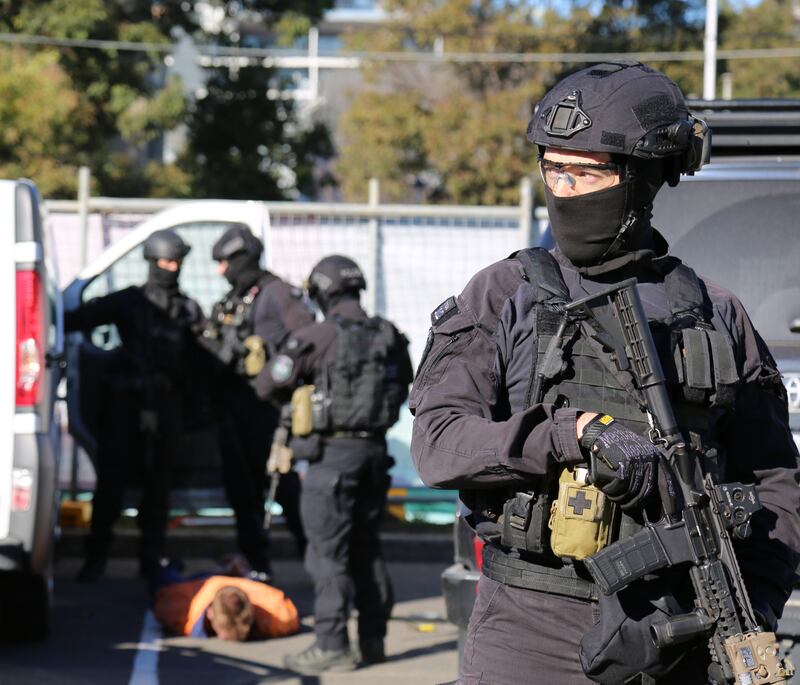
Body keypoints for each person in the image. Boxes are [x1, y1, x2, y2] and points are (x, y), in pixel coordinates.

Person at [409, 60, 800, 685]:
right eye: (553, 170)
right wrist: (572, 433)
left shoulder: (714, 311)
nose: (564, 190)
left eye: (586, 172)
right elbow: (438, 443)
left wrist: (751, 602)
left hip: (683, 627)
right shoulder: (504, 293)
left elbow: (775, 479)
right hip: (530, 627)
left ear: (644, 177)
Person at [253, 255, 414, 675]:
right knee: (365, 546)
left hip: (331, 459)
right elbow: (409, 386)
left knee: (327, 553)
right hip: (375, 455)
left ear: (323, 292)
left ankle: (331, 644)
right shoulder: (390, 335)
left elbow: (270, 382)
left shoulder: (318, 335)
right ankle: (373, 639)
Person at [66, 229, 204, 583]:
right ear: (151, 262)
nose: (171, 268)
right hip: (125, 408)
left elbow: (202, 365)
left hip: (166, 410)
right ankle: (95, 558)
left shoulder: (188, 310)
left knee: (158, 491)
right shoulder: (128, 301)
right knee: (110, 486)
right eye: (165, 262)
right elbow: (75, 318)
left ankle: (150, 560)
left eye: (177, 262)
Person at [200, 225, 312, 578]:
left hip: (268, 415)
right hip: (233, 412)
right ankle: (258, 567)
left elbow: (307, 340)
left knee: (286, 491)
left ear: (240, 258)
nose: (220, 271)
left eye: (224, 262)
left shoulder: (278, 293)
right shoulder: (235, 299)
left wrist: (272, 380)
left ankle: (319, 565)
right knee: (242, 495)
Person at [152, 556, 300, 641]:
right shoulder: (185, 609)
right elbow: (161, 601)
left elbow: (289, 615)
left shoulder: (276, 615)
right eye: (224, 627)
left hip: (246, 585)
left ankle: (232, 570)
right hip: (204, 584)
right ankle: (171, 565)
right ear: (210, 613)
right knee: (164, 581)